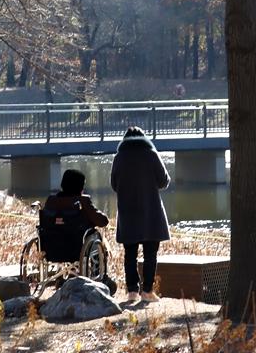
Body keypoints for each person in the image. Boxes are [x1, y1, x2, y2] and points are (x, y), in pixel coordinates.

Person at [110, 126, 171, 304]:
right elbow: (164, 181)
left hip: (128, 212)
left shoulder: (119, 157)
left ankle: (131, 292)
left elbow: (114, 184)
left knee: (130, 254)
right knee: (151, 253)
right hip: (150, 211)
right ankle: (148, 291)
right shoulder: (151, 154)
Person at [44, 169, 109, 229]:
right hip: (78, 239)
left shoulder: (51, 201)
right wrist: (85, 203)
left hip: (52, 239)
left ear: (62, 184)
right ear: (81, 188)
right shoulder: (83, 201)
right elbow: (103, 222)